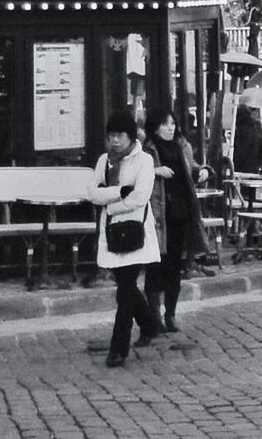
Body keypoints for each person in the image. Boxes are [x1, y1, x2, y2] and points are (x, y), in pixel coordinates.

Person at [88, 110, 161, 368]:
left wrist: (113, 206)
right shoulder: (103, 161)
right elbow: (92, 193)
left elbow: (141, 196)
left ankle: (118, 348)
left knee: (125, 290)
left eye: (119, 136)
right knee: (125, 285)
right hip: (112, 233)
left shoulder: (144, 161)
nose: (114, 141)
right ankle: (150, 324)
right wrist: (119, 192)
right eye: (111, 136)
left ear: (130, 136)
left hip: (134, 231)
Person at [142, 108, 211, 334]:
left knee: (174, 267)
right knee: (155, 266)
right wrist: (155, 171)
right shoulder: (147, 149)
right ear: (154, 126)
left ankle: (170, 314)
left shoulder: (182, 146)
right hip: (157, 217)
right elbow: (135, 175)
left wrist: (201, 171)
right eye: (165, 123)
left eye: (172, 123)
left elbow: (190, 166)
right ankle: (154, 317)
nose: (170, 128)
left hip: (180, 214)